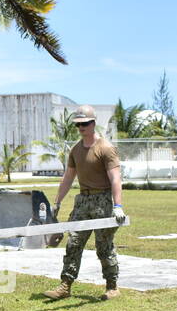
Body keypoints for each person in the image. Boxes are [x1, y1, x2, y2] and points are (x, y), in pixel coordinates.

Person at [43, 105, 127, 300]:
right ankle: (65, 285)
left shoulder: (105, 148)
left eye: (85, 123)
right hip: (82, 200)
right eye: (78, 124)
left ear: (93, 124)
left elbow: (115, 178)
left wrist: (118, 206)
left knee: (103, 246)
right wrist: (57, 202)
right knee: (73, 243)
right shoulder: (76, 150)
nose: (81, 127)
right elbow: (68, 177)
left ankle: (112, 286)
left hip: (102, 201)